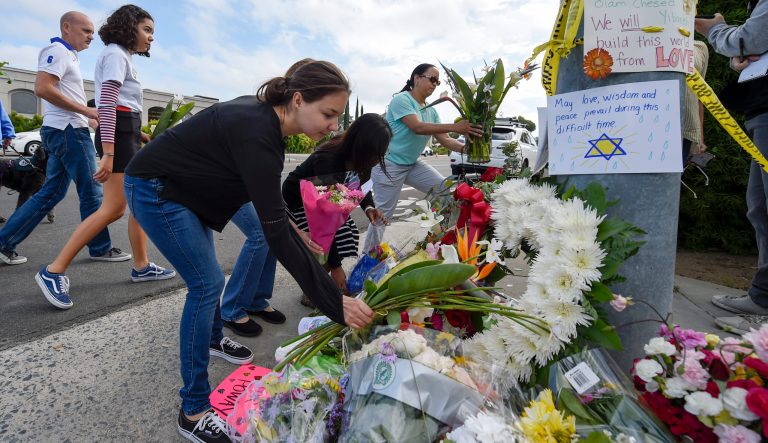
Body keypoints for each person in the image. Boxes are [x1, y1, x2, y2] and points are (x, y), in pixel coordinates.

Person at [123, 60, 374, 443]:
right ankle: (193, 409)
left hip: (189, 190)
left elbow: (269, 204)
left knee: (213, 279)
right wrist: (333, 302)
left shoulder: (269, 126)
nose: (333, 126)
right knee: (206, 285)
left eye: (337, 117)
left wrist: (293, 230)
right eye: (328, 114)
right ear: (298, 98)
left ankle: (208, 337)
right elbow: (274, 232)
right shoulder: (258, 131)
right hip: (158, 189)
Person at [36, 5, 174, 310]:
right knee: (112, 209)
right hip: (117, 138)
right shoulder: (114, 54)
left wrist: (138, 134)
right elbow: (108, 105)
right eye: (147, 30)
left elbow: (123, 105)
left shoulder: (122, 57)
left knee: (138, 203)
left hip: (127, 134)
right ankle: (53, 270)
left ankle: (141, 265)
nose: (151, 38)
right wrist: (110, 153)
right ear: (129, 27)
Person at [0, 11, 130, 266]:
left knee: (51, 193)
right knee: (92, 192)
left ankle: (4, 242)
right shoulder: (57, 51)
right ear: (67, 27)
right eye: (86, 31)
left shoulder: (68, 55)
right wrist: (84, 111)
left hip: (63, 129)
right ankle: (100, 247)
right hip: (68, 132)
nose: (92, 36)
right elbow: (42, 88)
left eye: (93, 32)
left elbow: (61, 93)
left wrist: (89, 118)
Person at [696, 0, 768, 334]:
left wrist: (716, 30)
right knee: (761, 208)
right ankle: (762, 298)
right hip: (760, 113)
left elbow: (747, 39)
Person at [282, 113, 391, 307]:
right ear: (362, 147)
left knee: (346, 234)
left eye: (381, 155)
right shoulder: (328, 159)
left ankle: (322, 282)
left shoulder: (363, 160)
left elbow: (362, 186)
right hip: (300, 201)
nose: (377, 161)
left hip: (329, 204)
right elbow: (323, 220)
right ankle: (313, 290)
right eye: (376, 155)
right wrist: (336, 267)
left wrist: (369, 208)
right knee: (320, 243)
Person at [370, 63, 483, 222]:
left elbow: (446, 139)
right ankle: (372, 248)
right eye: (432, 79)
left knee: (446, 191)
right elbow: (417, 127)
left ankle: (445, 231)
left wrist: (466, 149)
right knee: (382, 216)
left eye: (437, 82)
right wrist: (456, 127)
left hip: (412, 164)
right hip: (389, 165)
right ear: (416, 78)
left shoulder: (431, 111)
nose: (435, 84)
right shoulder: (402, 99)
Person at [682, 41, 709, 163]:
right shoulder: (644, 42)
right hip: (646, 124)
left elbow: (700, 95)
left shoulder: (699, 48)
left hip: (686, 129)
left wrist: (700, 138)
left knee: (674, 178)